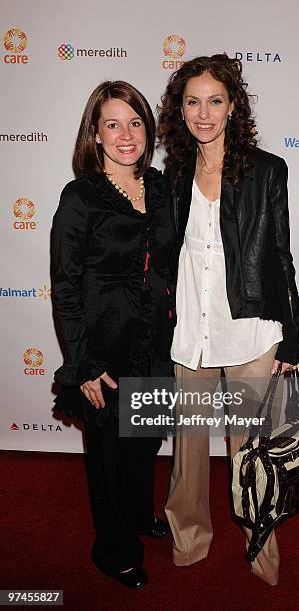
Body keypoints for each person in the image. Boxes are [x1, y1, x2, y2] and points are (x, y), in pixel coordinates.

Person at [157, 54, 299, 586]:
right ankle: (189, 538)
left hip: (249, 332)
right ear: (181, 109)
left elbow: (280, 256)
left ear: (233, 106)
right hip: (192, 332)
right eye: (192, 101)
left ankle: (260, 548)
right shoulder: (172, 174)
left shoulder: (267, 170)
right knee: (188, 450)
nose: (203, 112)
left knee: (251, 452)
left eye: (214, 100)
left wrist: (293, 336)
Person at [51, 81, 176, 588]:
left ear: (148, 129)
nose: (126, 134)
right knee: (107, 456)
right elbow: (64, 286)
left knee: (143, 443)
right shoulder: (80, 196)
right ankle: (113, 549)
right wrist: (82, 362)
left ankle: (139, 513)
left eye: (135, 122)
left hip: (156, 341)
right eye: (112, 124)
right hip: (104, 346)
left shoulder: (163, 187)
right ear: (96, 134)